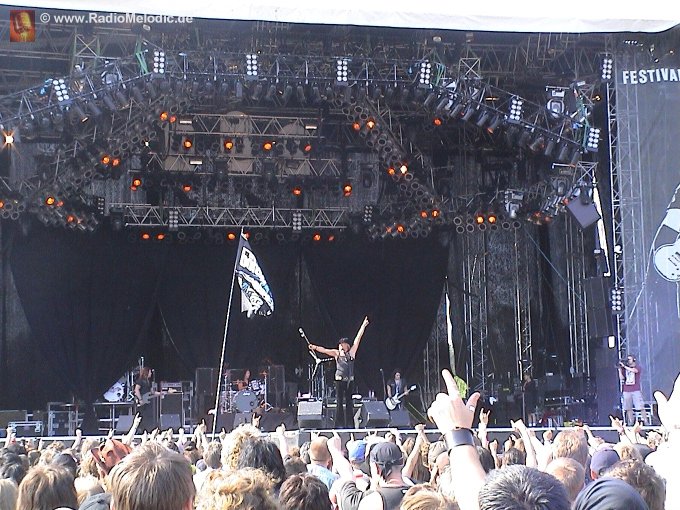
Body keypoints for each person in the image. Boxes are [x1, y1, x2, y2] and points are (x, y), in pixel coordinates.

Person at [308, 315, 370, 428]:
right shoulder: (336, 353)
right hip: (339, 380)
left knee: (349, 403)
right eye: (340, 345)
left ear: (347, 346)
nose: (341, 346)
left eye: (342, 345)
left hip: (349, 381)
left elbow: (358, 338)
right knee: (339, 402)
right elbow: (325, 350)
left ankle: (350, 424)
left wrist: (363, 326)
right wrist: (315, 347)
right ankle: (339, 424)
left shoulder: (351, 353)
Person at [619, 354, 649, 425]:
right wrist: (619, 370)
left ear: (634, 360)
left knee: (640, 406)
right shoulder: (625, 368)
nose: (628, 361)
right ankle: (631, 422)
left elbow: (634, 371)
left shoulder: (637, 367)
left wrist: (624, 366)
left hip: (636, 390)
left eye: (629, 359)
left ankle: (646, 421)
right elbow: (622, 378)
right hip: (626, 390)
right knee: (628, 407)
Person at [133, 366, 159, 431]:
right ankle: (139, 430)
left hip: (147, 401)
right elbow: (136, 389)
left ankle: (146, 430)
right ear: (147, 372)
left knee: (146, 416)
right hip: (142, 401)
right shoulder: (140, 380)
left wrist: (161, 393)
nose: (151, 373)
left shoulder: (148, 381)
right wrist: (140, 399)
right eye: (150, 372)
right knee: (140, 415)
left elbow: (152, 392)